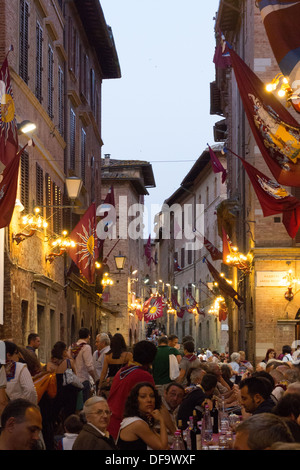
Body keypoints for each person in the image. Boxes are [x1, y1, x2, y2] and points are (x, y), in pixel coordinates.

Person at [107, 340, 157, 440]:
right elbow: (155, 404)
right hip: (125, 426)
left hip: (111, 422)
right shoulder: (143, 375)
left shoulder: (122, 371)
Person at [116, 382, 168, 450]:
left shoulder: (137, 420)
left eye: (152, 396)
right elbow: (162, 447)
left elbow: (166, 446)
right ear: (135, 401)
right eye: (143, 397)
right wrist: (161, 420)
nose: (149, 400)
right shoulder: (138, 424)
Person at [47, 341, 79, 423]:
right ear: (63, 351)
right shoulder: (69, 362)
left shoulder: (51, 364)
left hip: (58, 392)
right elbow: (76, 375)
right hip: (70, 393)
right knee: (69, 415)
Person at [98, 333, 132, 398]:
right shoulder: (128, 355)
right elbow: (132, 370)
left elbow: (104, 372)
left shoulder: (108, 356)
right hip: (123, 382)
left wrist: (100, 386)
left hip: (111, 383)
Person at [69, 327, 97, 403]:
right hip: (83, 380)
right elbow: (89, 366)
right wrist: (94, 378)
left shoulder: (72, 347)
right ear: (88, 336)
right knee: (84, 405)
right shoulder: (86, 347)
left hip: (73, 380)